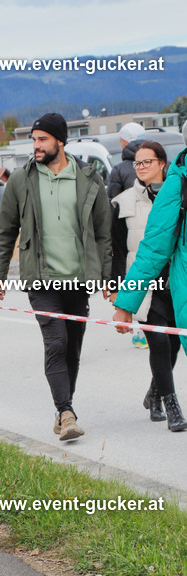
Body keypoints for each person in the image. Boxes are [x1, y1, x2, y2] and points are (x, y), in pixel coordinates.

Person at [0, 112, 113, 441]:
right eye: (33, 140)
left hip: (77, 279)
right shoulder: (21, 180)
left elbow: (104, 233)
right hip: (41, 279)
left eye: (42, 139)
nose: (36, 146)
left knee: (72, 348)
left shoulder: (89, 178)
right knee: (56, 342)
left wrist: (108, 277)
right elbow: (6, 232)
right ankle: (67, 412)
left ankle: (62, 409)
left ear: (60, 141)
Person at [113, 142, 187, 432]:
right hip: (150, 287)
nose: (141, 167)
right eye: (137, 163)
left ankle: (154, 394)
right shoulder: (125, 201)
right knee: (159, 345)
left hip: (175, 287)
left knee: (171, 348)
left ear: (161, 163)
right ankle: (171, 405)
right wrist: (123, 299)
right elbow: (138, 250)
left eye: (147, 162)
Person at [106, 122, 147, 201]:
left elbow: (113, 202)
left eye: (121, 142)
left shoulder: (119, 170)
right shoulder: (161, 163)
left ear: (126, 143)